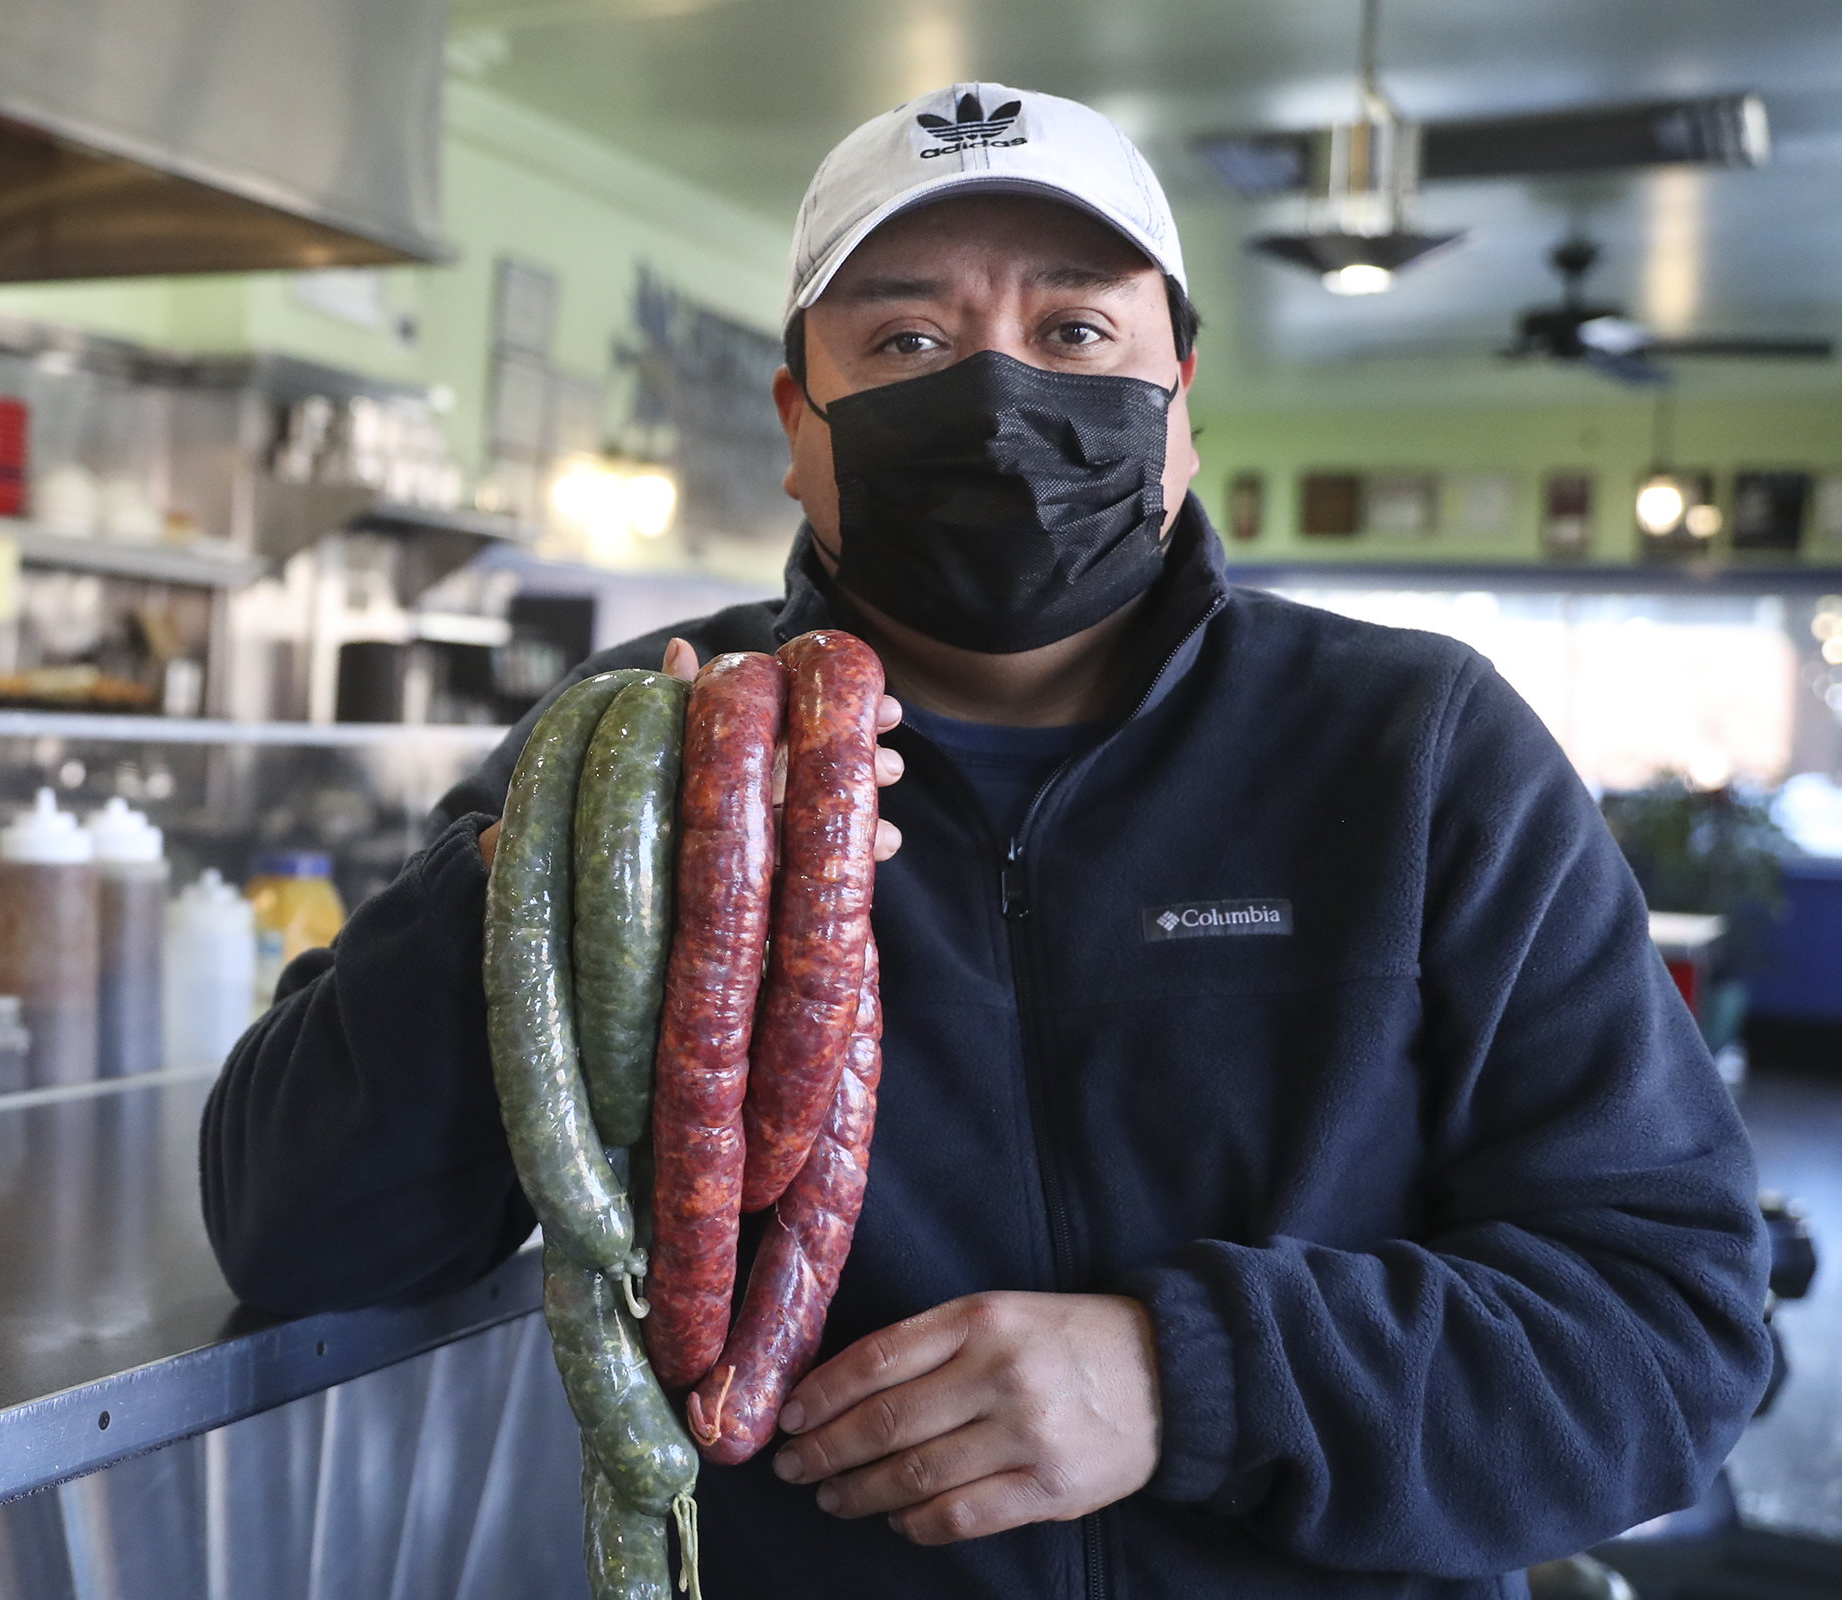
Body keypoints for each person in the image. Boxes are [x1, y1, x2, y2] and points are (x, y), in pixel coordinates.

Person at [200, 83, 1771, 1597]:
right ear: (798, 427)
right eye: (907, 338)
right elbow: (304, 1232)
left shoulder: (1419, 745)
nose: (1001, 391)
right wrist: (559, 875)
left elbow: (1668, 1338)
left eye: (1075, 330)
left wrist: (1185, 1377)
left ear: (1179, 412)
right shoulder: (640, 735)